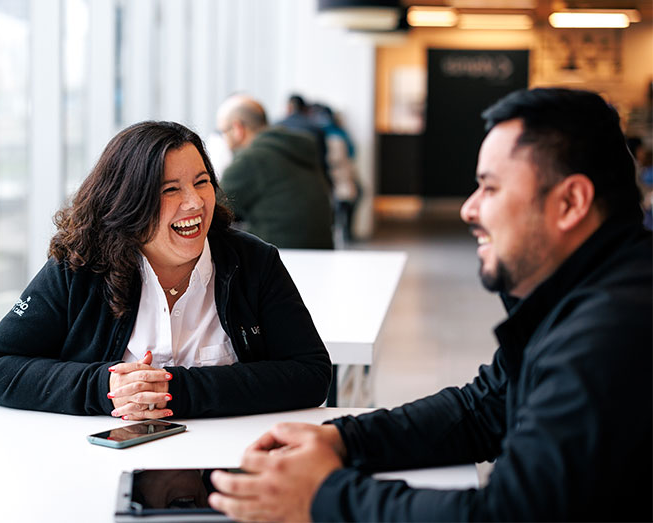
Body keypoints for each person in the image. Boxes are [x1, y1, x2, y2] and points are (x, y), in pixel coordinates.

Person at [208, 88, 652, 521]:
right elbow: (483, 409)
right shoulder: (580, 295)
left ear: (570, 202)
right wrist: (343, 440)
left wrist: (322, 497)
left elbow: (510, 513)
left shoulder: (610, 335)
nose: (469, 209)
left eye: (490, 189)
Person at [0, 121, 331, 420]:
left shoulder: (253, 262)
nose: (194, 202)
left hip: (227, 466)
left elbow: (311, 374)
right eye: (170, 189)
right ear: (128, 202)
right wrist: (106, 387)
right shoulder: (81, 266)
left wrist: (176, 390)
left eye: (201, 181)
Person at [216, 95, 334, 249]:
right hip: (322, 252)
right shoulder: (295, 146)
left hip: (278, 257)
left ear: (238, 128)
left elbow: (214, 208)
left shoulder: (251, 159)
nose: (223, 139)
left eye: (223, 131)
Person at [312, 103, 361, 244]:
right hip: (339, 174)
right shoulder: (338, 132)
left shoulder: (321, 131)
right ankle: (345, 233)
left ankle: (342, 232)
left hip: (332, 174)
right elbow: (352, 152)